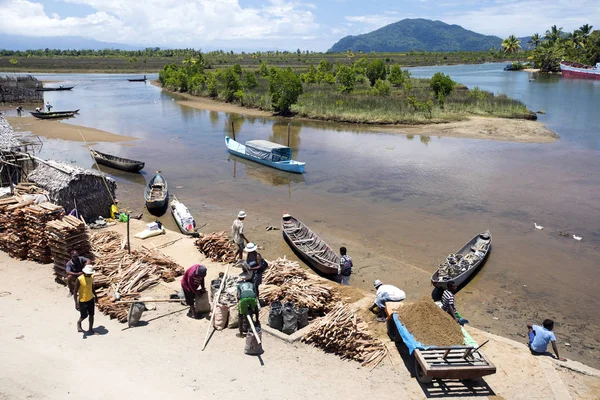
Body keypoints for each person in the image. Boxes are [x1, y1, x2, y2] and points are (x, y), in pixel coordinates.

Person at [73, 265, 97, 335]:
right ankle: (79, 322)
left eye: (90, 274)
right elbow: (75, 292)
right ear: (84, 272)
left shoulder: (91, 277)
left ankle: (90, 329)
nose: (90, 275)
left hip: (90, 299)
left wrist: (96, 296)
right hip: (83, 300)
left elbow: (92, 287)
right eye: (88, 274)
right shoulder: (79, 279)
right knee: (84, 316)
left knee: (91, 315)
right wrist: (76, 303)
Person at [237, 272, 259, 338]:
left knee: (240, 315)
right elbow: (256, 295)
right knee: (255, 308)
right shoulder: (252, 284)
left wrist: (239, 302)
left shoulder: (239, 285)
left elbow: (238, 296)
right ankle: (257, 321)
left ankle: (241, 333)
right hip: (253, 297)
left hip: (243, 298)